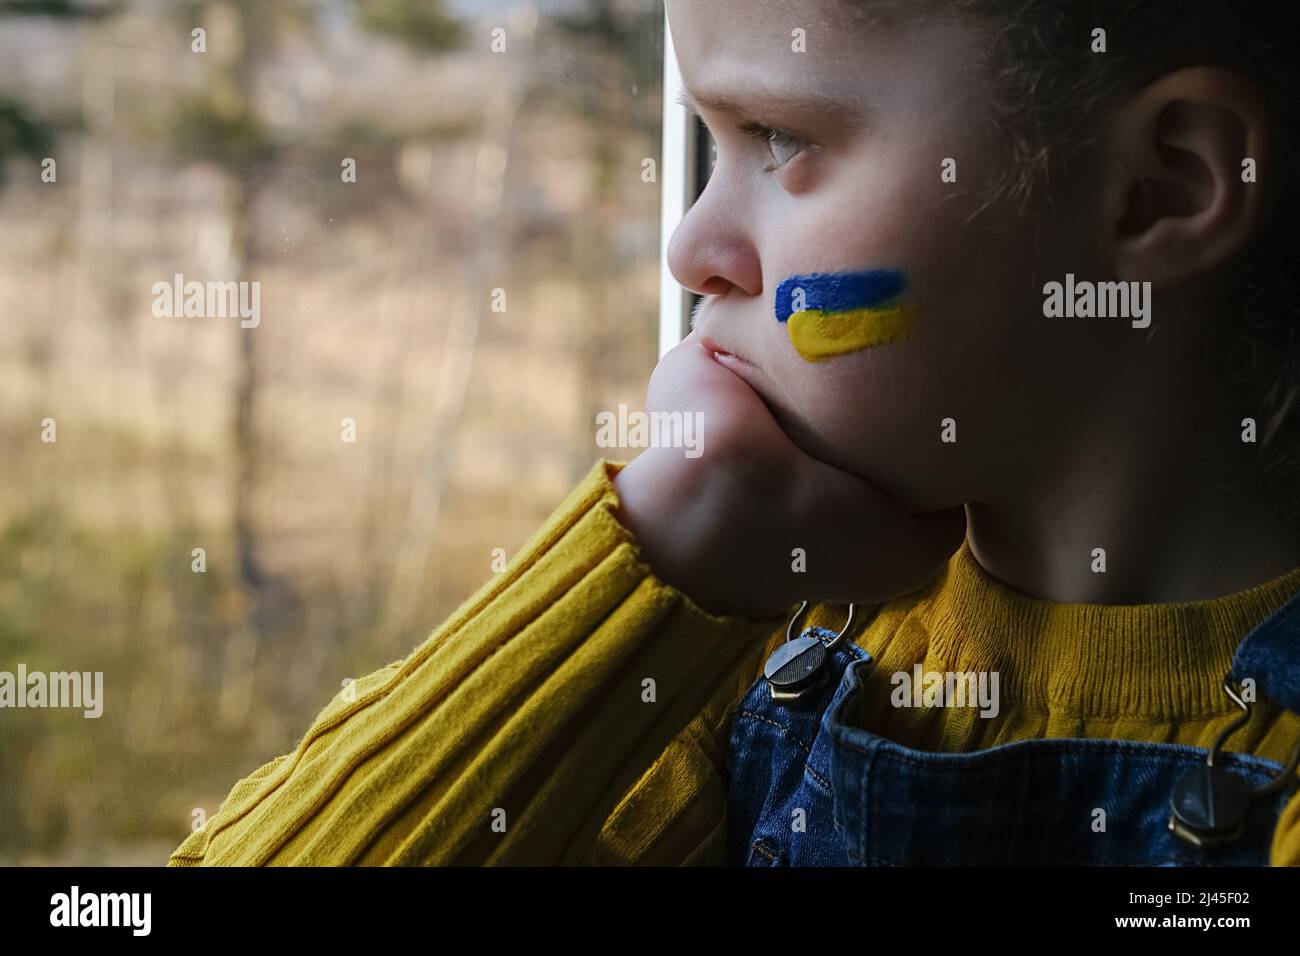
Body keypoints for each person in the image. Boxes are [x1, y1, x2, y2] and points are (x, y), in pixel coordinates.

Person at [169, 0, 1300, 866]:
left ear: (1159, 185)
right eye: (709, 144)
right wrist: (669, 543)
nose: (691, 247)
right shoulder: (757, 636)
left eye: (779, 138)